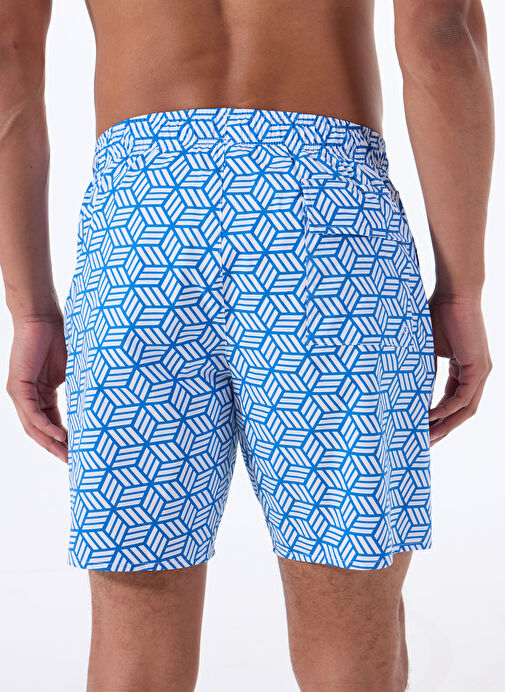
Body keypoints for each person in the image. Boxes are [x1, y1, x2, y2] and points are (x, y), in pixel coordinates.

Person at [0, 1, 494, 690]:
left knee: (134, 640)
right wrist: (462, 290)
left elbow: (8, 55)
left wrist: (30, 310)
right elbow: (441, 37)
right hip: (323, 225)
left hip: (142, 227)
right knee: (350, 623)